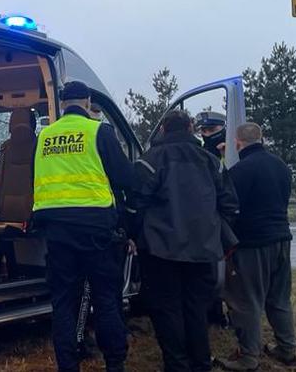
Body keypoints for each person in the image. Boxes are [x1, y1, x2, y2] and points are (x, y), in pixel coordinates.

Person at [32, 81, 133, 372]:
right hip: (96, 230)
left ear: (63, 103)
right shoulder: (99, 131)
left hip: (57, 232)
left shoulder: (45, 136)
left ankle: (68, 365)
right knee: (106, 299)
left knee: (63, 303)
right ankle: (114, 364)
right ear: (88, 102)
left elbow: (35, 180)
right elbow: (126, 177)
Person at [133, 109, 239, 372]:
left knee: (166, 310)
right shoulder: (212, 161)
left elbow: (135, 204)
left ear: (163, 130)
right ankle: (201, 364)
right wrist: (215, 231)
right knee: (196, 310)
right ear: (191, 128)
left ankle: (177, 365)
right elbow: (230, 204)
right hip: (203, 250)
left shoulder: (149, 161)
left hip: (159, 251)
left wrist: (136, 236)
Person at [217, 122, 296, 371]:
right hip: (282, 240)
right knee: (279, 299)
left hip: (252, 245)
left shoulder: (240, 171)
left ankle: (248, 357)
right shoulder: (281, 167)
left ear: (238, 143)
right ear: (261, 139)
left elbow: (230, 206)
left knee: (246, 301)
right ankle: (287, 349)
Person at [194, 110, 230, 328]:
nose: (208, 134)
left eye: (212, 130)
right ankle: (214, 313)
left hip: (225, 216)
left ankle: (227, 313)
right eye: (204, 130)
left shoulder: (231, 148)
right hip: (208, 218)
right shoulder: (199, 153)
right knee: (211, 270)